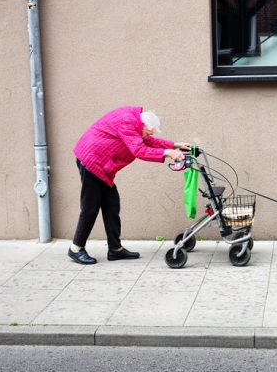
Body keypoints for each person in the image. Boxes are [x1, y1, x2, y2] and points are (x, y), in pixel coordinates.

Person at [68, 106, 190, 264]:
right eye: (148, 131)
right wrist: (167, 153)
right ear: (143, 125)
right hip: (92, 161)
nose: (148, 135)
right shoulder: (128, 123)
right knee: (90, 207)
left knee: (112, 205)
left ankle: (115, 249)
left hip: (102, 166)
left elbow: (147, 140)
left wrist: (173, 145)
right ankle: (75, 248)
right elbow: (139, 150)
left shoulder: (136, 123)